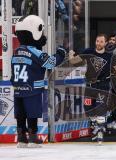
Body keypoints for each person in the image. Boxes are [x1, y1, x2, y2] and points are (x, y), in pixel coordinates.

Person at [11, 15, 66, 148]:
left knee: (20, 114)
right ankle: (33, 138)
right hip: (32, 89)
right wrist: (61, 52)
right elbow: (50, 63)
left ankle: (21, 138)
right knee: (32, 113)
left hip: (18, 90)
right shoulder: (34, 51)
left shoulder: (16, 51)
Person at [69, 33, 116, 144]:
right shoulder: (88, 52)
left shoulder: (110, 56)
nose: (98, 43)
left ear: (105, 43)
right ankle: (96, 126)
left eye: (101, 41)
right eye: (97, 41)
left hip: (103, 86)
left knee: (100, 108)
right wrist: (71, 55)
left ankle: (100, 131)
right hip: (90, 86)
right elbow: (74, 62)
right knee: (88, 109)